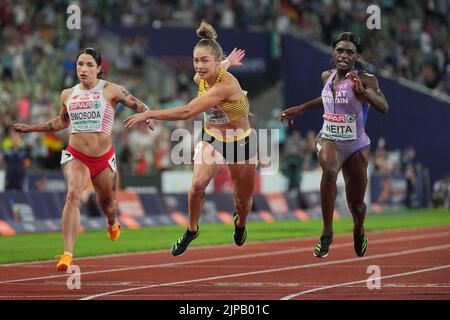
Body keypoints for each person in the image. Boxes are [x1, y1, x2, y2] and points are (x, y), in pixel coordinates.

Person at [12, 48, 154, 271]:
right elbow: (61, 122)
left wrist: (148, 116)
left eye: (89, 65)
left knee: (108, 205)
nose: (83, 69)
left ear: (99, 68)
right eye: (80, 64)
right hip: (76, 155)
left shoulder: (111, 90)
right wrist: (31, 128)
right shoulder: (67, 94)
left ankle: (111, 223)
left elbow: (139, 105)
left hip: (104, 158)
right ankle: (67, 254)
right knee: (73, 193)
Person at [124, 21, 255, 256]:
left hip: (240, 142)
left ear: (216, 62)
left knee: (242, 202)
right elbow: (218, 66)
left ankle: (241, 223)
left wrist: (150, 112)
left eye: (205, 61)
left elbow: (187, 112)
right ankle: (192, 229)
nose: (199, 66)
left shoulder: (226, 85)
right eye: (196, 61)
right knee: (197, 185)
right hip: (213, 136)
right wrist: (228, 62)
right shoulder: (200, 78)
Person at [280, 32, 389, 258]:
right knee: (329, 171)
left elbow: (384, 107)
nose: (344, 55)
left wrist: (364, 92)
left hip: (356, 146)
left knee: (356, 206)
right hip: (328, 137)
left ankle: (358, 230)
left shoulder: (367, 79)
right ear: (333, 54)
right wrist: (299, 109)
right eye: (340, 50)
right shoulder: (326, 77)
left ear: (356, 56)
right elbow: (327, 99)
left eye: (350, 52)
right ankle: (327, 233)